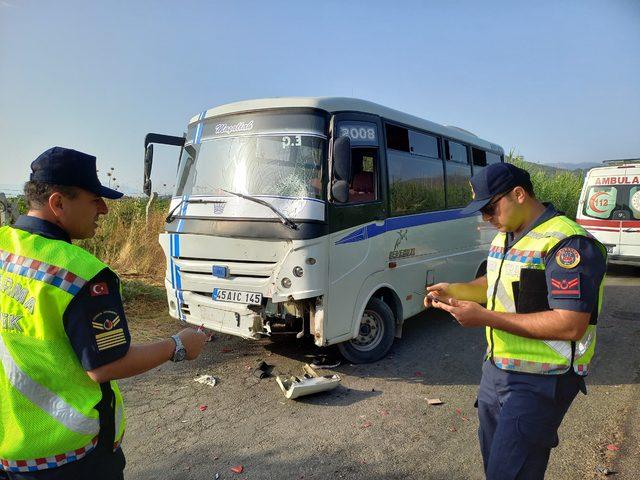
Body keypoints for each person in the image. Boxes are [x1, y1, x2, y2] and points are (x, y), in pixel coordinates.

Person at [0, 147, 208, 479]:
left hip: (9, 449)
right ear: (58, 203)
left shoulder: (5, 246)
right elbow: (106, 365)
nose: (104, 210)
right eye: (94, 199)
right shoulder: (80, 274)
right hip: (68, 457)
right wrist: (178, 345)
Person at [425, 162, 606, 480]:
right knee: (494, 464)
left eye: (490, 209)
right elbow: (493, 283)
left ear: (518, 194)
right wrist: (454, 290)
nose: (486, 219)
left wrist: (484, 318)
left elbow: (570, 324)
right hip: (498, 371)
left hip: (542, 379)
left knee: (511, 473)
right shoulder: (507, 235)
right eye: (482, 212)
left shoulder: (567, 244)